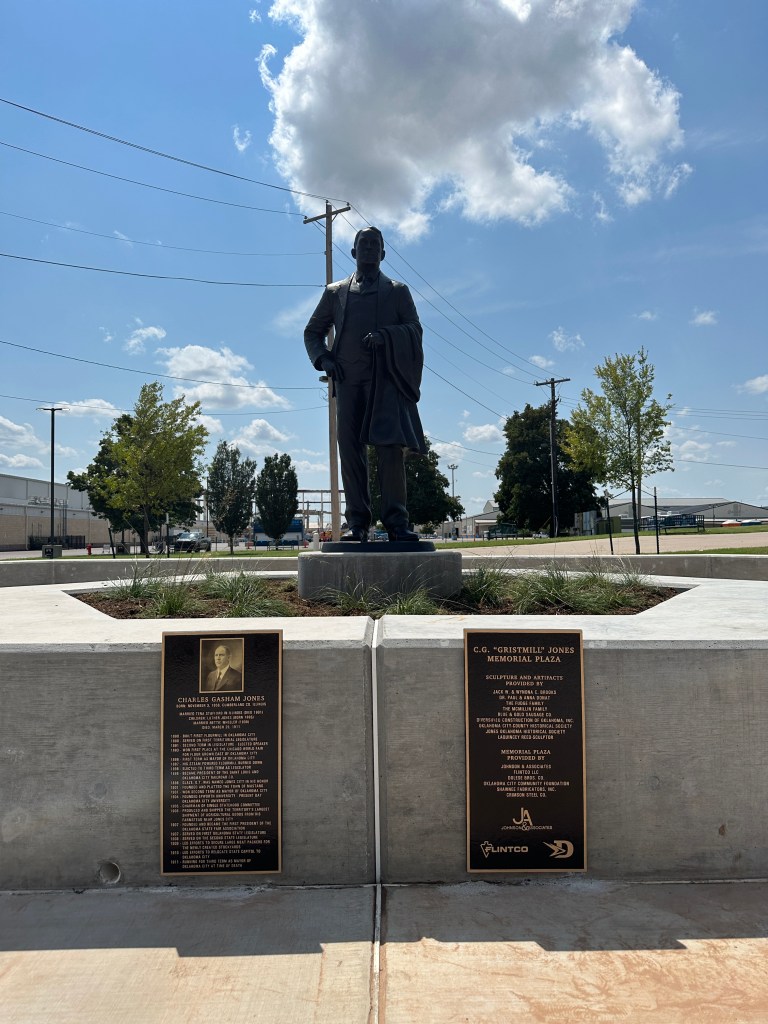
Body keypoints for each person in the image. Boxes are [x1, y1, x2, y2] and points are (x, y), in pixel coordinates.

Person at [304, 226, 427, 542]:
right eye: (364, 243)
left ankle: (397, 523)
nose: (370, 248)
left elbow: (414, 328)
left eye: (376, 244)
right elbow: (313, 332)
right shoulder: (336, 293)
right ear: (354, 251)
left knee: (389, 450)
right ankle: (358, 523)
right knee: (350, 450)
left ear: (383, 253)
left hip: (385, 382)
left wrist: (387, 337)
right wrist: (325, 360)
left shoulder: (397, 291)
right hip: (348, 382)